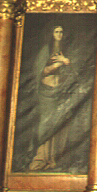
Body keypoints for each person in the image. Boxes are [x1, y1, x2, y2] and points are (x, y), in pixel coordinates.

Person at [29, 25, 74, 171]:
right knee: (46, 124)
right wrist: (58, 64)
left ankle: (54, 158)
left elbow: (73, 71)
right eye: (56, 32)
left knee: (60, 124)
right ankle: (41, 157)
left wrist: (65, 61)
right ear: (51, 33)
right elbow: (41, 71)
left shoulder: (64, 50)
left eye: (61, 32)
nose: (59, 34)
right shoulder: (45, 50)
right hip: (46, 93)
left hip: (60, 91)